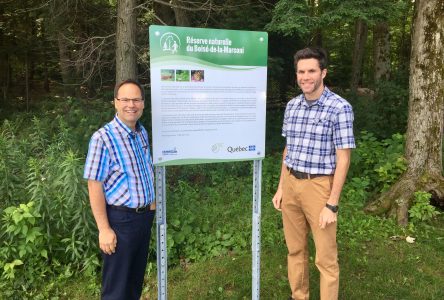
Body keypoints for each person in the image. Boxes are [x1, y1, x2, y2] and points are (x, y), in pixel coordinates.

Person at [272, 47, 355, 300]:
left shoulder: (339, 107)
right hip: (291, 182)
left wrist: (332, 204)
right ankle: (299, 296)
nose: (305, 76)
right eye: (300, 71)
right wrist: (281, 187)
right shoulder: (292, 106)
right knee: (295, 249)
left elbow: (344, 158)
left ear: (323, 72)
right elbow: (289, 148)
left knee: (325, 257)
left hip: (319, 187)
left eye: (311, 71)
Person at [84, 79, 156, 300]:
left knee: (134, 282)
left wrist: (151, 202)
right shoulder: (102, 138)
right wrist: (104, 229)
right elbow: (94, 184)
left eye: (136, 99)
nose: (131, 104)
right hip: (120, 221)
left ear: (143, 104)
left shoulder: (141, 133)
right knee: (116, 288)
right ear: (115, 102)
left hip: (143, 220)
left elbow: (143, 170)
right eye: (125, 99)